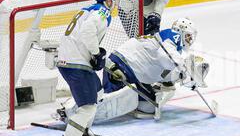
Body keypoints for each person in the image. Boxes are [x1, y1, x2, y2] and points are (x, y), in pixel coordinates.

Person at [56, 18, 209, 124]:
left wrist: (186, 79)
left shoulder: (173, 47)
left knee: (148, 108)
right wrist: (183, 70)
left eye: (191, 37)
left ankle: (124, 100)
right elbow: (165, 56)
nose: (189, 40)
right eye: (188, 36)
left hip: (130, 71)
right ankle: (70, 111)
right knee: (107, 101)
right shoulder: (172, 35)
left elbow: (167, 71)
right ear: (180, 31)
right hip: (121, 66)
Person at [55, 0, 120, 136]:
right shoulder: (102, 12)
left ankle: (81, 130)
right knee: (88, 108)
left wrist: (100, 59)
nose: (114, 4)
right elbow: (87, 31)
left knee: (98, 93)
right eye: (114, 0)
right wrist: (96, 53)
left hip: (70, 60)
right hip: (76, 64)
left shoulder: (88, 9)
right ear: (107, 0)